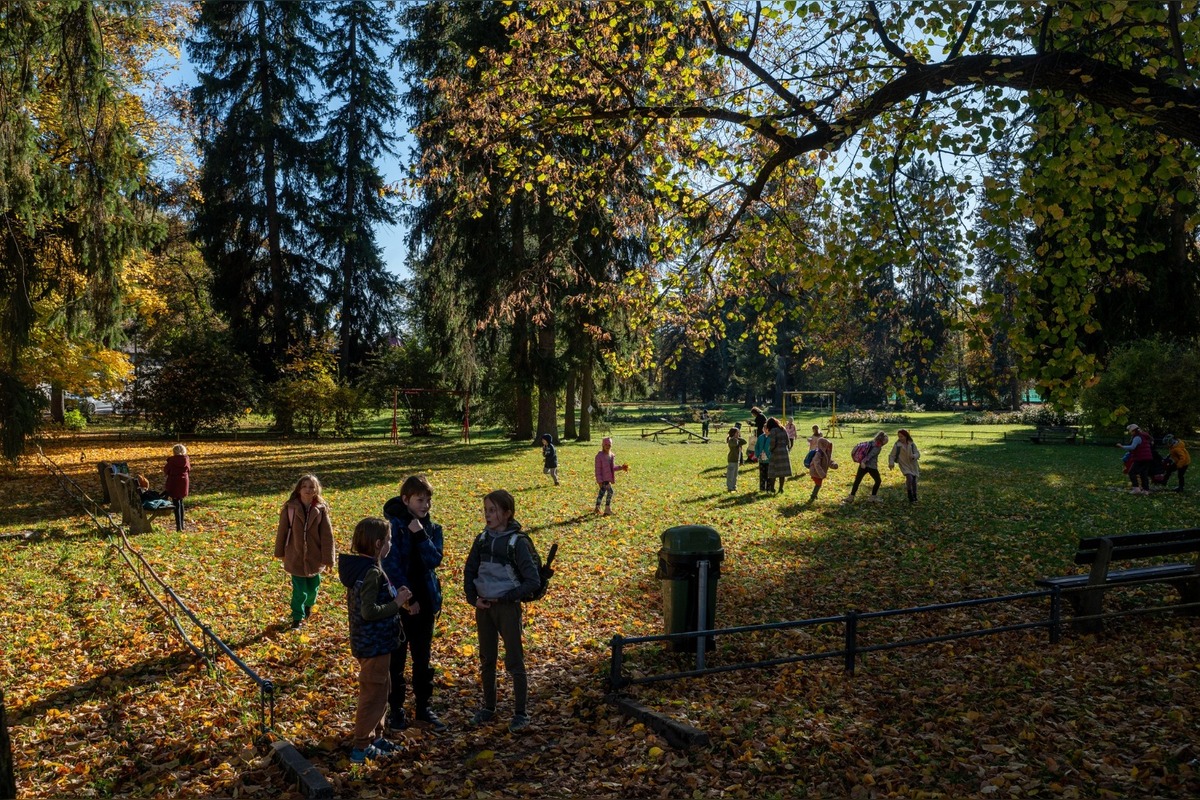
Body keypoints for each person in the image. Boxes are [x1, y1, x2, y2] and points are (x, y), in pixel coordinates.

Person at [463, 490, 541, 733]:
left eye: (493, 510)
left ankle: (520, 713)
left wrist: (507, 598)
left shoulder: (517, 543)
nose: (488, 514)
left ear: (507, 513)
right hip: (484, 607)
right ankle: (489, 707)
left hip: (507, 608)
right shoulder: (482, 540)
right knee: (487, 658)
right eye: (486, 509)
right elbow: (469, 570)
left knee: (514, 660)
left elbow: (533, 580)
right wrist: (473, 598)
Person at [337, 517, 412, 764]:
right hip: (373, 643)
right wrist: (396, 604)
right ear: (379, 543)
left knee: (382, 691)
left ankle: (376, 737)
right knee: (372, 693)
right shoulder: (370, 572)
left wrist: (396, 598)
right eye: (389, 539)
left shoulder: (368, 568)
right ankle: (361, 746)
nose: (391, 543)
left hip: (378, 642)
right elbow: (368, 611)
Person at [382, 475, 447, 733]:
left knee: (423, 658)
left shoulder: (432, 528)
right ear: (406, 499)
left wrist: (420, 535)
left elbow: (434, 560)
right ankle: (396, 708)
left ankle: (423, 707)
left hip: (427, 601)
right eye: (420, 500)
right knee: (397, 660)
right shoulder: (393, 527)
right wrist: (407, 599)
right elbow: (391, 565)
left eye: (429, 500)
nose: (426, 505)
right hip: (401, 603)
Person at [274, 474, 336, 628]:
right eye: (304, 487)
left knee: (313, 588)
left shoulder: (321, 510)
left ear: (316, 490)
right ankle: (297, 617)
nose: (308, 490)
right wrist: (280, 552)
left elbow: (327, 536)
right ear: (299, 489)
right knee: (299, 591)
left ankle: (308, 605)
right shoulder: (290, 508)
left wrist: (328, 559)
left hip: (315, 557)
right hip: (295, 555)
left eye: (311, 487)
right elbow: (282, 531)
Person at [844, 431, 889, 503]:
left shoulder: (871, 442)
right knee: (878, 481)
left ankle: (851, 497)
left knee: (857, 481)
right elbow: (870, 455)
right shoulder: (878, 447)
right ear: (882, 440)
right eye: (885, 441)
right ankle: (873, 497)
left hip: (862, 465)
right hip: (871, 466)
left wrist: (862, 462)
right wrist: (863, 462)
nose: (885, 443)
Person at [593, 437, 628, 515]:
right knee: (610, 492)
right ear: (602, 445)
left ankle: (597, 508)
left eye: (609, 445)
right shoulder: (599, 456)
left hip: (608, 479)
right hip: (603, 480)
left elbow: (612, 468)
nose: (607, 446)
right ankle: (607, 509)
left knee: (601, 493)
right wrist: (599, 481)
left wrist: (621, 467)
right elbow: (597, 470)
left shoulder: (611, 455)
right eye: (606, 444)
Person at [1117, 423, 1154, 495]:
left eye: (1130, 431)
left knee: (1131, 472)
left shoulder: (1137, 437)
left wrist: (1122, 446)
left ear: (1133, 431)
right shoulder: (1143, 436)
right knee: (1143, 474)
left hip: (1141, 458)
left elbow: (1132, 447)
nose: (1130, 433)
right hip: (1147, 458)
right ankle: (1146, 490)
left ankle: (1136, 488)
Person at [888, 429, 921, 503]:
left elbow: (917, 453)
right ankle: (910, 494)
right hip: (904, 464)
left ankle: (915, 495)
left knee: (914, 480)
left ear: (906, 436)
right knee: (909, 478)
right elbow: (892, 455)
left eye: (902, 436)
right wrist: (891, 463)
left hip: (913, 464)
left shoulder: (912, 444)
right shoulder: (897, 445)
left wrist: (914, 456)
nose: (900, 438)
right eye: (899, 436)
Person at [163, 444, 190, 532]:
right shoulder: (186, 460)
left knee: (176, 503)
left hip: (174, 482)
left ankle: (178, 526)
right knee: (181, 502)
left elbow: (166, 470)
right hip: (183, 482)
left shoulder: (172, 461)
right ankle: (182, 525)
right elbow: (188, 470)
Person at [766, 417, 793, 493]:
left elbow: (773, 442)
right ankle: (781, 488)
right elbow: (788, 441)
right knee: (782, 472)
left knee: (772, 471)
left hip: (776, 452)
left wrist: (771, 449)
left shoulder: (773, 431)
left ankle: (772, 488)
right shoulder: (783, 429)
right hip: (784, 451)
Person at [808, 436, 837, 501]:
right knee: (818, 484)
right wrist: (821, 473)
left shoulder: (826, 453)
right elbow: (816, 464)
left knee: (818, 484)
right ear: (823, 445)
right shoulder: (819, 453)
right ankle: (813, 495)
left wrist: (833, 465)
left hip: (819, 472)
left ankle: (814, 495)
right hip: (815, 471)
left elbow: (828, 461)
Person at [725, 427, 746, 491]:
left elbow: (744, 441)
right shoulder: (731, 440)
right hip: (732, 459)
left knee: (735, 475)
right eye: (737, 433)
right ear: (733, 433)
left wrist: (738, 437)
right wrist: (735, 438)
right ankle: (730, 487)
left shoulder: (737, 440)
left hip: (737, 460)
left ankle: (734, 486)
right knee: (730, 474)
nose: (738, 434)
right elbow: (735, 444)